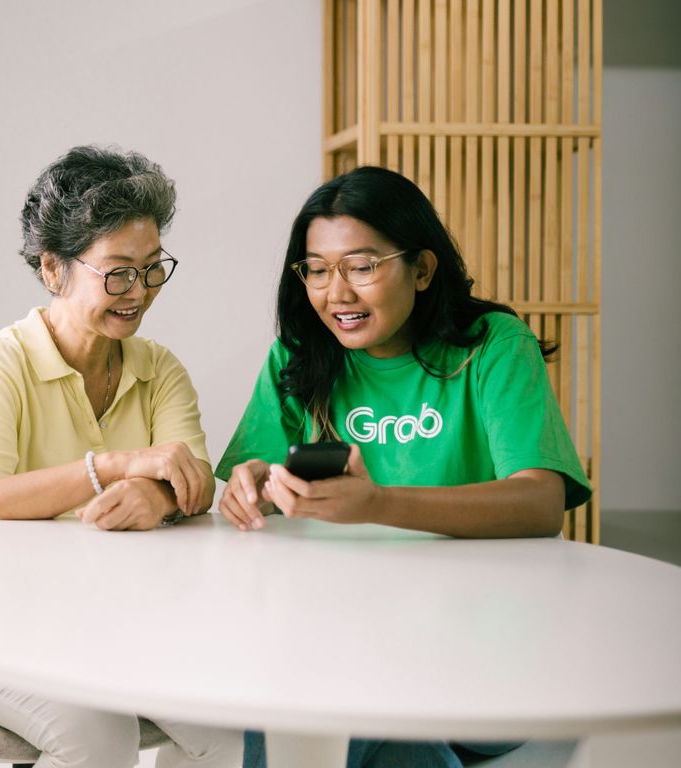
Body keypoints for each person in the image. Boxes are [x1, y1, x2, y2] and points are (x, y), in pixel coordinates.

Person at [216, 165, 591, 768]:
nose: (336, 292)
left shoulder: (492, 345)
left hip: (489, 645)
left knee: (340, 708)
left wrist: (380, 504)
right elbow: (255, 471)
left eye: (361, 266)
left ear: (421, 268)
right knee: (309, 698)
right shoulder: (299, 355)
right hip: (346, 628)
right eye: (316, 269)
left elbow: (540, 502)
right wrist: (253, 484)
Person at [0, 145, 243, 768]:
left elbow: (193, 483)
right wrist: (113, 468)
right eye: (117, 272)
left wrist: (159, 493)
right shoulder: (0, 365)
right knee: (98, 735)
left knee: (236, 723)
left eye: (152, 269)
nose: (138, 292)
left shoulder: (159, 370)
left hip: (114, 622)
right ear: (52, 269)